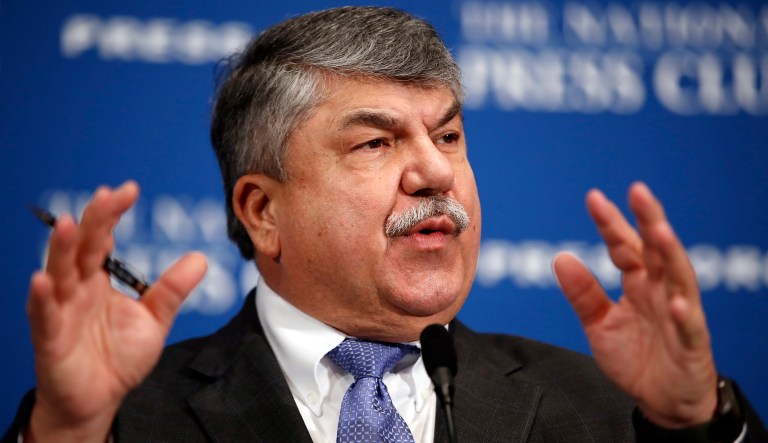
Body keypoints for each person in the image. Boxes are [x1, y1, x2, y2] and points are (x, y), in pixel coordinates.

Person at [4, 6, 766, 443]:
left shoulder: (608, 408)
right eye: (375, 141)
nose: (434, 171)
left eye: (449, 135)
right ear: (262, 211)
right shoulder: (123, 418)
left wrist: (696, 422)